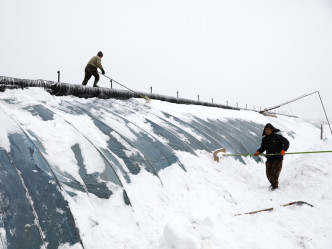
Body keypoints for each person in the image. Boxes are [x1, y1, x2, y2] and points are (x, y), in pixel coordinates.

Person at [254, 123, 290, 190]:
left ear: (272, 130)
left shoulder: (277, 137)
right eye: (266, 130)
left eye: (268, 129)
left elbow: (286, 142)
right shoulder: (264, 139)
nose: (267, 131)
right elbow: (263, 147)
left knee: (274, 174)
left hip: (277, 158)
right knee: (268, 175)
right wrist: (258, 152)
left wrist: (284, 150)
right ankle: (273, 185)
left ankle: (275, 188)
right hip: (269, 159)